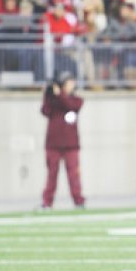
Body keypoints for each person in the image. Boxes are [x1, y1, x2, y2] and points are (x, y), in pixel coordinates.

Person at [40, 73, 85, 210]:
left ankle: (78, 201)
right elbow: (45, 110)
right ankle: (47, 202)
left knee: (74, 175)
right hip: (53, 144)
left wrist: (59, 94)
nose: (71, 85)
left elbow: (70, 105)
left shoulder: (76, 100)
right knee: (51, 175)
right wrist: (48, 95)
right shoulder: (54, 101)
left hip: (71, 145)